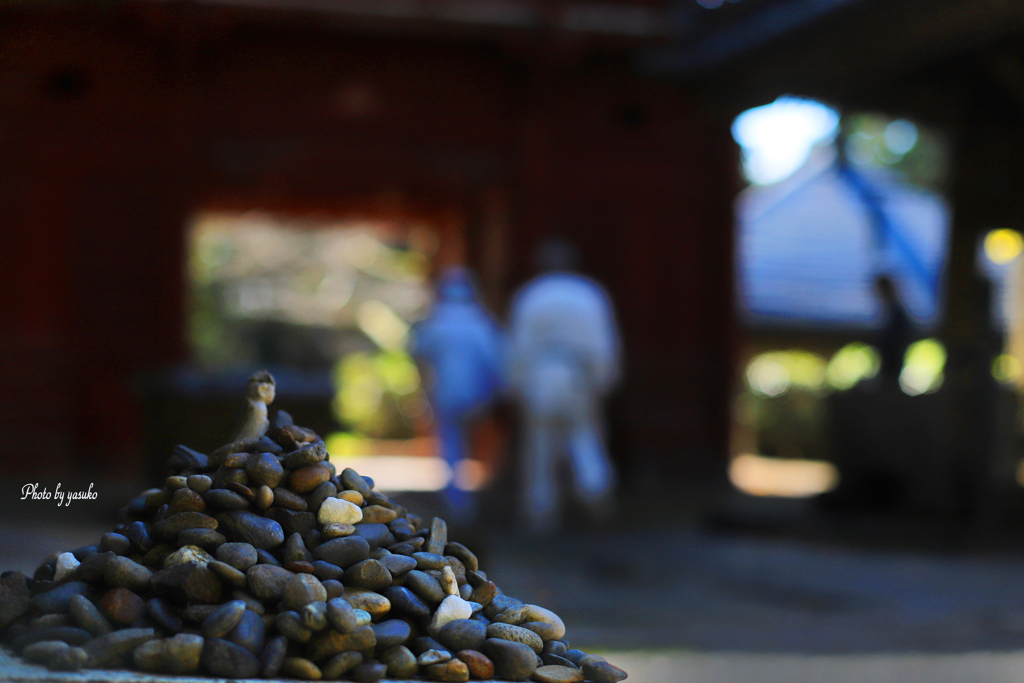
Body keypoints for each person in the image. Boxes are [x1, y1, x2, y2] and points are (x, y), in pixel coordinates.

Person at [506, 239, 621, 533]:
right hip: (578, 373)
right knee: (584, 435)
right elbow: (604, 343)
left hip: (541, 375)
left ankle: (541, 509)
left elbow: (518, 346)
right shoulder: (590, 294)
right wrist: (604, 379)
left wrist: (516, 384)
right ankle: (595, 487)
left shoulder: (530, 295)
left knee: (540, 445)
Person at [410, 267, 505, 521]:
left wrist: (424, 387)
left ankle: (457, 501)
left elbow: (417, 352)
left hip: (445, 392)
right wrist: (495, 392)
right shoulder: (481, 322)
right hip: (477, 393)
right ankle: (466, 498)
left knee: (451, 443)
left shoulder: (435, 321)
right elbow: (497, 360)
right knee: (471, 443)